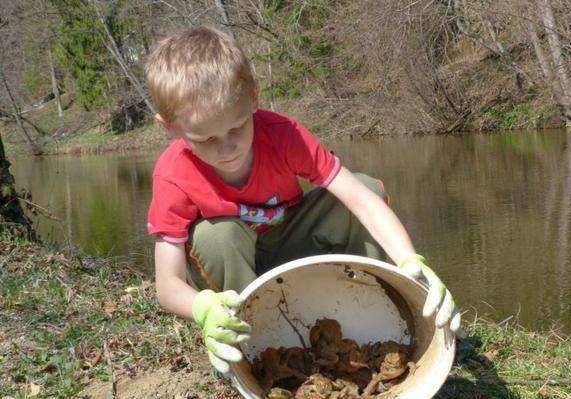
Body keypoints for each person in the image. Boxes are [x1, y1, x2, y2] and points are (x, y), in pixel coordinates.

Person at [145, 26, 460, 374]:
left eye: (236, 128)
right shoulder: (173, 173)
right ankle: (253, 339)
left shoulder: (283, 135)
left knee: (367, 186)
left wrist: (410, 264)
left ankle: (370, 304)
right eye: (205, 139)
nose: (227, 148)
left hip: (291, 240)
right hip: (236, 266)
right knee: (214, 235)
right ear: (170, 127)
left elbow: (362, 200)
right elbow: (167, 284)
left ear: (253, 96)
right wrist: (203, 308)